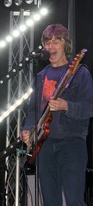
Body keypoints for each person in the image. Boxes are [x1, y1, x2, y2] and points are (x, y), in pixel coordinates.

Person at [21, 24, 93, 206]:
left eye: (56, 41)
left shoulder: (79, 73)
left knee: (74, 199)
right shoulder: (41, 76)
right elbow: (33, 111)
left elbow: (89, 107)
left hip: (71, 143)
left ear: (65, 44)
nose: (51, 46)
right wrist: (28, 131)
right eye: (47, 42)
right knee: (50, 201)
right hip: (44, 145)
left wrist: (66, 105)